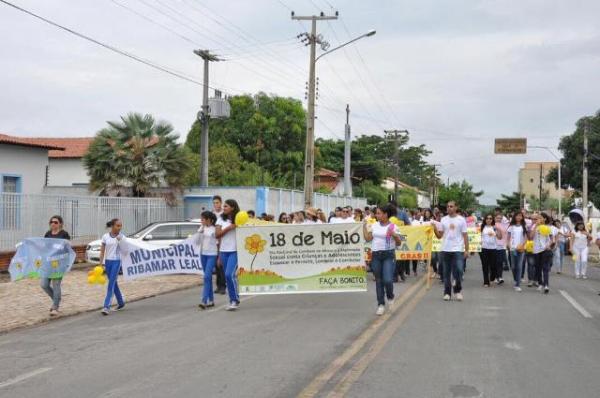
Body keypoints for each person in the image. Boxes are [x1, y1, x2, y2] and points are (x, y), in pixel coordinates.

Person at [363, 204, 403, 315]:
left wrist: (394, 235)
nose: (376, 215)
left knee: (388, 280)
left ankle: (390, 296)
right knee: (379, 280)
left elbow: (399, 243)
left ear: (386, 214)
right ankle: (381, 304)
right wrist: (364, 227)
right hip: (376, 255)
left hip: (388, 255)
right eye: (376, 213)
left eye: (379, 213)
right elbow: (368, 238)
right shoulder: (375, 225)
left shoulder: (393, 227)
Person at [434, 201, 469, 301]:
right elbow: (439, 236)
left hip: (457, 249)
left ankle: (457, 290)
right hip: (445, 249)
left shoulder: (461, 220)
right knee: (446, 272)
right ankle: (447, 293)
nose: (449, 208)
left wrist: (466, 249)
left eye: (451, 206)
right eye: (448, 206)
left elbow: (465, 235)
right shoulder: (443, 220)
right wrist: (434, 229)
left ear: (456, 207)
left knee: (459, 269)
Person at [41, 215, 71, 316]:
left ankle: (55, 306)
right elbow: (45, 248)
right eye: (51, 222)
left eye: (56, 222)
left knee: (56, 284)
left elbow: (67, 248)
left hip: (59, 264)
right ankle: (56, 299)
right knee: (44, 284)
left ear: (60, 224)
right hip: (48, 263)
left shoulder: (64, 234)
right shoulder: (48, 234)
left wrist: (66, 262)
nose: (53, 224)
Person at [216, 199, 241, 311]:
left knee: (229, 275)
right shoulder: (221, 219)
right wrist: (229, 228)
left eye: (226, 206)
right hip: (223, 251)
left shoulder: (239, 219)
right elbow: (217, 235)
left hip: (235, 251)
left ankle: (235, 300)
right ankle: (232, 300)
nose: (223, 208)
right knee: (228, 277)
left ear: (232, 207)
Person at [100, 218, 125, 315]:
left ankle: (106, 306)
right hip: (108, 262)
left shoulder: (122, 237)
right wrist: (100, 264)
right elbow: (102, 251)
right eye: (118, 225)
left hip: (116, 262)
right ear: (113, 226)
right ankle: (121, 302)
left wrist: (121, 241)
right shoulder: (105, 236)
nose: (120, 227)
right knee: (114, 283)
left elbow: (125, 250)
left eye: (120, 225)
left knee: (111, 284)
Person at [529, 212, 555, 294]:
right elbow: (531, 237)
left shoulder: (548, 228)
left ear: (544, 219)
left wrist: (549, 245)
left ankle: (546, 285)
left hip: (545, 250)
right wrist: (536, 226)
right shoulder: (535, 227)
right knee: (538, 268)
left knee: (545, 268)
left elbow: (552, 239)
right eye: (537, 218)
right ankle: (540, 283)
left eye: (540, 218)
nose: (538, 219)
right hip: (536, 250)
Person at [198, 211, 218, 309]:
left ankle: (204, 300)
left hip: (212, 255)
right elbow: (197, 239)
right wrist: (201, 230)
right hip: (203, 255)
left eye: (203, 219)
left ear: (209, 219)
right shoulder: (202, 228)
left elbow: (218, 242)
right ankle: (211, 300)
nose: (201, 221)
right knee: (207, 278)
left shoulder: (215, 229)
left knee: (206, 277)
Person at [507, 212, 527, 292]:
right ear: (514, 217)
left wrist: (522, 245)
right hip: (512, 249)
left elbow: (526, 238)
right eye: (517, 216)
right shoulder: (511, 227)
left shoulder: (524, 227)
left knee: (519, 266)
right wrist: (508, 245)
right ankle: (516, 279)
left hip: (521, 249)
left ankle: (517, 284)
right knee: (513, 266)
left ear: (522, 217)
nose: (518, 217)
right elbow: (508, 237)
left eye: (520, 216)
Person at [480, 214, 501, 287]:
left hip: (493, 248)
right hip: (484, 248)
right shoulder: (482, 227)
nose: (489, 220)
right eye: (487, 218)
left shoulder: (494, 228)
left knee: (493, 265)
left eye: (490, 218)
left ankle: (492, 277)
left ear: (492, 220)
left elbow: (500, 237)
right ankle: (486, 281)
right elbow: (476, 237)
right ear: (485, 220)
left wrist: (498, 230)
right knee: (485, 265)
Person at [213, 196, 226, 295]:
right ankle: (218, 286)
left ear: (221, 203)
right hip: (213, 242)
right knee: (216, 266)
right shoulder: (212, 214)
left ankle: (223, 286)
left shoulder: (224, 214)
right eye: (214, 203)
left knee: (221, 265)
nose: (216, 205)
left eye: (217, 202)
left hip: (222, 241)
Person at [494, 214, 509, 285]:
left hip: (501, 246)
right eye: (497, 218)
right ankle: (494, 276)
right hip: (492, 246)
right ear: (494, 218)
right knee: (494, 263)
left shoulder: (504, 226)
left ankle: (500, 277)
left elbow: (505, 236)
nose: (499, 219)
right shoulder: (492, 225)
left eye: (500, 218)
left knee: (500, 262)